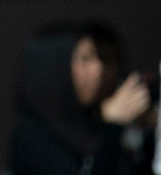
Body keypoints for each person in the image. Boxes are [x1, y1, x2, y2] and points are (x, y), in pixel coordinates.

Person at [9, 23, 156, 174]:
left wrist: (143, 134)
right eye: (85, 59)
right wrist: (112, 124)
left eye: (99, 57)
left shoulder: (87, 125)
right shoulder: (31, 137)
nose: (99, 68)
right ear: (55, 67)